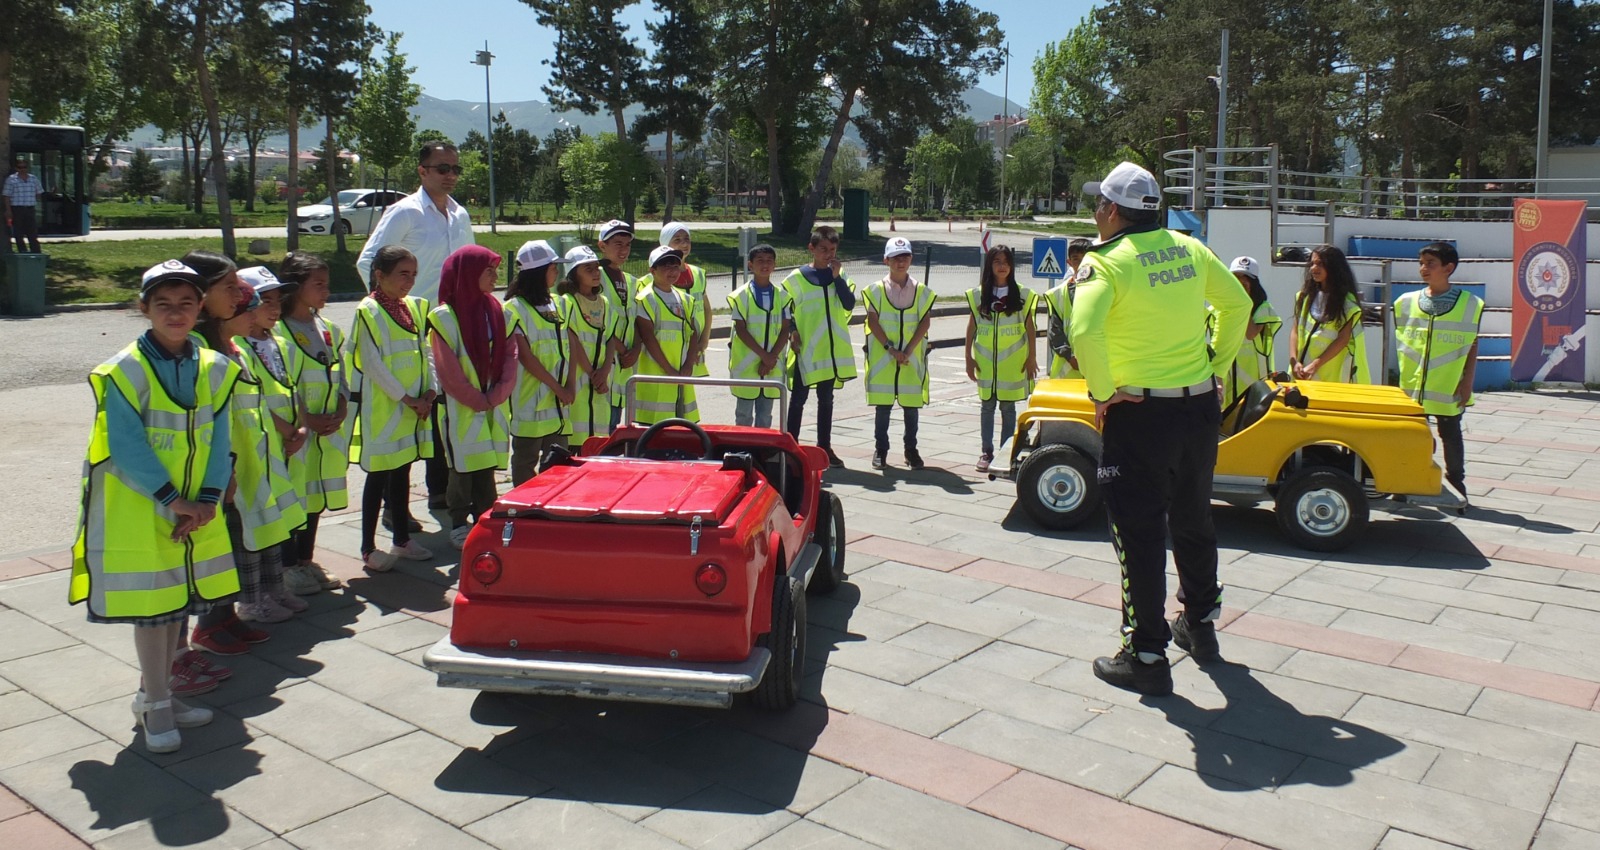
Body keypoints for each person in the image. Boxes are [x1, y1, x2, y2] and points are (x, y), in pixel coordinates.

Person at [1070, 161, 1250, 696]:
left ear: (1111, 210)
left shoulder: (1107, 263)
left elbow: (1083, 330)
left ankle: (1146, 653)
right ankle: (1199, 625)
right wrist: (1215, 365)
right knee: (1194, 520)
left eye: (1097, 206)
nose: (1096, 215)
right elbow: (1238, 303)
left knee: (1139, 533)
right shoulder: (1188, 247)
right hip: (1196, 410)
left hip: (1141, 415)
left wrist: (1103, 391)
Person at [69, 260, 241, 753]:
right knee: (153, 611)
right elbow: (126, 445)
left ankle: (156, 693)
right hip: (142, 507)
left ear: (200, 307)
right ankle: (159, 705)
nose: (175, 313)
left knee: (175, 608)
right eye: (162, 304)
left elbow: (218, 435)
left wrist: (206, 499)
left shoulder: (209, 362)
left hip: (195, 507)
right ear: (142, 308)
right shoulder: (124, 369)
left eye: (186, 303)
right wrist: (176, 501)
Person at [356, 140, 475, 511]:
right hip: (407, 327)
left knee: (442, 406)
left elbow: (467, 270)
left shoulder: (460, 215)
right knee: (406, 414)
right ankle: (396, 508)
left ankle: (439, 489)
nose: (450, 175)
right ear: (422, 171)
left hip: (448, 326)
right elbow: (369, 264)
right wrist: (392, 313)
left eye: (455, 169)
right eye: (442, 168)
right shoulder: (404, 213)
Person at [225, 268, 311, 622]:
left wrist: (302, 427)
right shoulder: (239, 345)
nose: (273, 309)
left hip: (278, 451)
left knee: (275, 520)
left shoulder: (282, 343)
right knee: (252, 524)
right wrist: (285, 429)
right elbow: (255, 398)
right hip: (254, 449)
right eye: (263, 302)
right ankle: (251, 599)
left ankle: (276, 588)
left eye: (277, 301)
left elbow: (294, 387)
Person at [348, 246, 437, 571]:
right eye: (403, 274)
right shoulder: (368, 311)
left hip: (413, 410)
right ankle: (368, 547)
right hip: (386, 412)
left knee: (402, 472)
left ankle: (402, 539)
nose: (410, 282)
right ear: (380, 275)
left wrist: (430, 390)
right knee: (378, 476)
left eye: (413, 274)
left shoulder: (412, 308)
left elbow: (425, 350)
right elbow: (372, 364)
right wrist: (407, 398)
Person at [430, 245, 515, 547]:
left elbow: (509, 355)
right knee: (462, 467)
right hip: (461, 407)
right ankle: (458, 521)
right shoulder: (444, 317)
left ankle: (485, 516)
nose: (495, 277)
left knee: (486, 464)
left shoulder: (496, 310)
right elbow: (447, 369)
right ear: (468, 274)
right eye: (488, 271)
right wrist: (479, 399)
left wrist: (498, 393)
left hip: (491, 403)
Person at [277, 252, 350, 590]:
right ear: (295, 287)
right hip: (299, 433)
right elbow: (282, 384)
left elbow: (340, 373)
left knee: (316, 496)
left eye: (327, 285)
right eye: (318, 285)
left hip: (327, 434)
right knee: (294, 496)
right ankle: (287, 564)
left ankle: (306, 560)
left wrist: (341, 404)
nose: (326, 291)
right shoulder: (278, 332)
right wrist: (307, 419)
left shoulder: (329, 329)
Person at [1395, 241, 1483, 510]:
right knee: (1410, 436)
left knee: (1451, 436)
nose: (1423, 268)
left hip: (1446, 387)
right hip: (1411, 388)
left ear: (1448, 268)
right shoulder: (1405, 302)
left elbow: (1472, 345)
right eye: (1421, 263)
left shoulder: (1470, 304)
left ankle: (1456, 484)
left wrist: (1467, 382)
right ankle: (1406, 482)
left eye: (1430, 263)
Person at [782, 225, 857, 467]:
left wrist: (836, 278)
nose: (828, 254)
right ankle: (790, 446)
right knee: (798, 399)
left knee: (826, 400)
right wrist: (792, 332)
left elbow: (848, 304)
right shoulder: (796, 278)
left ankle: (824, 446)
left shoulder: (840, 276)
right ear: (811, 249)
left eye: (833, 249)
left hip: (830, 352)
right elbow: (785, 310)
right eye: (823, 249)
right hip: (806, 350)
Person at [965, 244, 1038, 472]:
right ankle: (986, 452)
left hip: (1012, 365)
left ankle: (1008, 452)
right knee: (987, 407)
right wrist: (968, 357)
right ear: (990, 265)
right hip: (986, 364)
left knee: (1008, 408)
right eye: (997, 262)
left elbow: (1030, 328)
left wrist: (1032, 358)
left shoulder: (1023, 295)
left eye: (1006, 262)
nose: (1002, 266)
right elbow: (972, 326)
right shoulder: (979, 295)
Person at [505, 240, 573, 482]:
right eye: (553, 267)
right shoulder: (514, 308)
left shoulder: (558, 303)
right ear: (539, 271)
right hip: (531, 400)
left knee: (558, 460)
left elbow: (570, 345)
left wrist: (570, 385)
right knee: (526, 460)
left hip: (558, 402)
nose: (557, 272)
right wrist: (559, 388)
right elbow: (526, 357)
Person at [863, 236, 934, 469]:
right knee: (883, 408)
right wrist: (891, 349)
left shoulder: (922, 291)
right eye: (895, 257)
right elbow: (872, 322)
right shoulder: (875, 291)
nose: (900, 262)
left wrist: (909, 350)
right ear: (886, 260)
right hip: (885, 358)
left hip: (910, 358)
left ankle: (911, 450)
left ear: (911, 259)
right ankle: (880, 450)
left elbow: (924, 322)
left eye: (904, 257)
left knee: (911, 408)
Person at [558, 245, 621, 448]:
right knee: (577, 438)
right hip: (580, 378)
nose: (596, 273)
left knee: (598, 441)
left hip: (600, 379)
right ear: (574, 274)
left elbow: (610, 337)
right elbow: (573, 339)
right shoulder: (567, 302)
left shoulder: (604, 303)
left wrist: (604, 371)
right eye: (588, 269)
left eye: (596, 268)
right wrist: (593, 372)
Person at [634, 246, 702, 424]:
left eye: (675, 266)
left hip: (681, 373)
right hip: (656, 374)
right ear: (652, 270)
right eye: (665, 266)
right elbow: (648, 338)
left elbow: (693, 332)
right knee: (652, 427)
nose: (672, 271)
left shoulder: (686, 299)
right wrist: (669, 370)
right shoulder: (646, 299)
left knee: (681, 427)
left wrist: (688, 363)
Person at [727, 243, 793, 429]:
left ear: (775, 265)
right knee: (744, 415)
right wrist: (764, 356)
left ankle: (762, 453)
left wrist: (771, 359)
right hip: (748, 368)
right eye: (760, 261)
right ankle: (742, 451)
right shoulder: (741, 296)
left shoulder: (782, 296)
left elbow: (785, 328)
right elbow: (741, 330)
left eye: (769, 261)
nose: (765, 265)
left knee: (765, 416)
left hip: (772, 367)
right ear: (750, 265)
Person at [1214, 256, 1282, 407]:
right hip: (1226, 374)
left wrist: (1242, 302)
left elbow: (1250, 333)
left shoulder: (1263, 308)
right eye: (1236, 277)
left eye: (1245, 278)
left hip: (1251, 378)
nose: (1240, 281)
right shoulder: (1219, 306)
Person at [1289, 244, 1364, 383]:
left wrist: (1315, 365)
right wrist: (1294, 362)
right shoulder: (1304, 296)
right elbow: (1295, 331)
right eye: (1312, 263)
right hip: (1300, 373)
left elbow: (1343, 340)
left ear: (1334, 267)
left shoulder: (1347, 303)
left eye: (1320, 264)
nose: (1313, 268)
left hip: (1328, 376)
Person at [597, 220, 643, 430]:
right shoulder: (595, 276)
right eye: (618, 244)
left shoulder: (632, 281)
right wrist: (622, 348)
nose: (623, 250)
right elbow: (598, 320)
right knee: (602, 425)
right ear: (602, 246)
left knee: (616, 423)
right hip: (604, 360)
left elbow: (638, 319)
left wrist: (635, 349)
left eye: (627, 244)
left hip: (624, 364)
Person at [659, 222, 712, 376]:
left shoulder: (698, 273)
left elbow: (707, 310)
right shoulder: (658, 275)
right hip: (670, 345)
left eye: (686, 239)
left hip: (695, 345)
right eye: (677, 240)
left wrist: (704, 340)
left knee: (688, 388)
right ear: (665, 243)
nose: (684, 244)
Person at [1044, 238, 1092, 379]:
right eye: (1076, 259)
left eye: (1086, 259)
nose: (1082, 264)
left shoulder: (1107, 289)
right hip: (1067, 370)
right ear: (1069, 263)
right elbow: (1055, 331)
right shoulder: (1059, 294)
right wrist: (1070, 357)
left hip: (1096, 365)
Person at [3, 158, 43, 253]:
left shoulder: (33, 179)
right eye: (20, 167)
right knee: (18, 233)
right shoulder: (11, 179)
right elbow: (6, 196)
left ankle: (36, 253)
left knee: (32, 233)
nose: (22, 169)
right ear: (16, 168)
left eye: (24, 167)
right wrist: (8, 210)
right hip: (17, 209)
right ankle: (22, 252)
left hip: (30, 208)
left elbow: (39, 193)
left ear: (27, 168)